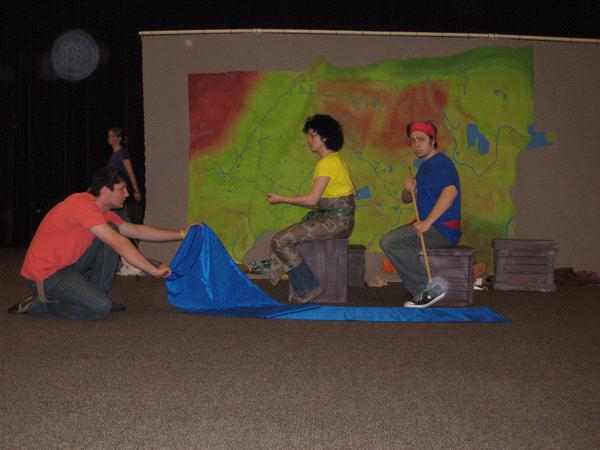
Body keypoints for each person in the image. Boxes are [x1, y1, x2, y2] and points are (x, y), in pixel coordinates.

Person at [8, 167, 195, 320]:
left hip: (68, 266)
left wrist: (181, 233)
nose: (127, 194)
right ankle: (38, 305)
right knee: (99, 309)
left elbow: (138, 230)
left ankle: (93, 296)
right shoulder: (82, 204)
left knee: (112, 229)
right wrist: (152, 269)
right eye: (122, 189)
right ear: (106, 191)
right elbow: (118, 243)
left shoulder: (102, 212)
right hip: (45, 275)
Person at [266, 114, 356, 304]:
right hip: (338, 220)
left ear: (324, 137)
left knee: (280, 240)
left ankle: (309, 288)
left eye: (312, 135)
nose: (309, 140)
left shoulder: (327, 163)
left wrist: (280, 198)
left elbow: (312, 200)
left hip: (336, 222)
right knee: (287, 237)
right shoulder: (335, 160)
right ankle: (307, 287)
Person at [380, 121, 461, 308]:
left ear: (433, 141)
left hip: (443, 229)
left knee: (390, 242)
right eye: (413, 140)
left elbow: (450, 193)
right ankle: (422, 289)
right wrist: (409, 189)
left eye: (421, 139)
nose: (416, 144)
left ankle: (427, 290)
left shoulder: (440, 163)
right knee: (394, 242)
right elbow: (407, 199)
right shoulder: (425, 167)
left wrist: (427, 223)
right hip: (431, 226)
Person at [107, 127, 143, 225]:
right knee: (118, 218)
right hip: (114, 191)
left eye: (112, 136)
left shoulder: (122, 153)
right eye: (109, 136)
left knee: (124, 218)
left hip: (122, 191)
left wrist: (136, 191)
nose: (109, 138)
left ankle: (134, 237)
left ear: (119, 139)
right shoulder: (114, 155)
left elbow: (130, 172)